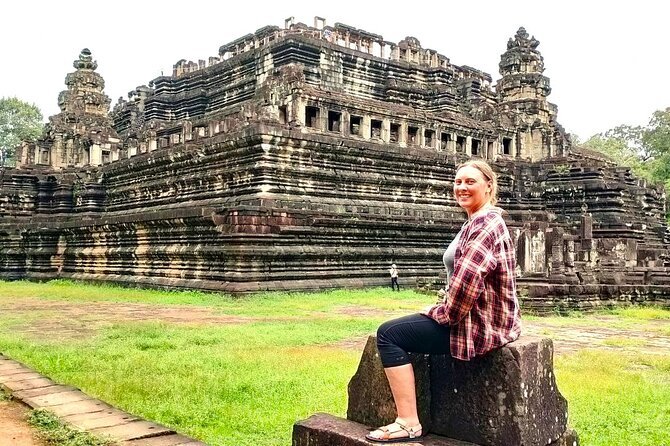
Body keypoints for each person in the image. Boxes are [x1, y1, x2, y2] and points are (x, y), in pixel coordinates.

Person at [365, 160, 521, 443]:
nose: (461, 187)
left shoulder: (485, 225)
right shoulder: (479, 220)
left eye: (470, 182)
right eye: (458, 182)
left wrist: (440, 313)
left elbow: (466, 285)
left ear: (489, 186)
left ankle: (408, 422)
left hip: (477, 325)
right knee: (407, 325)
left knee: (389, 334)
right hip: (481, 317)